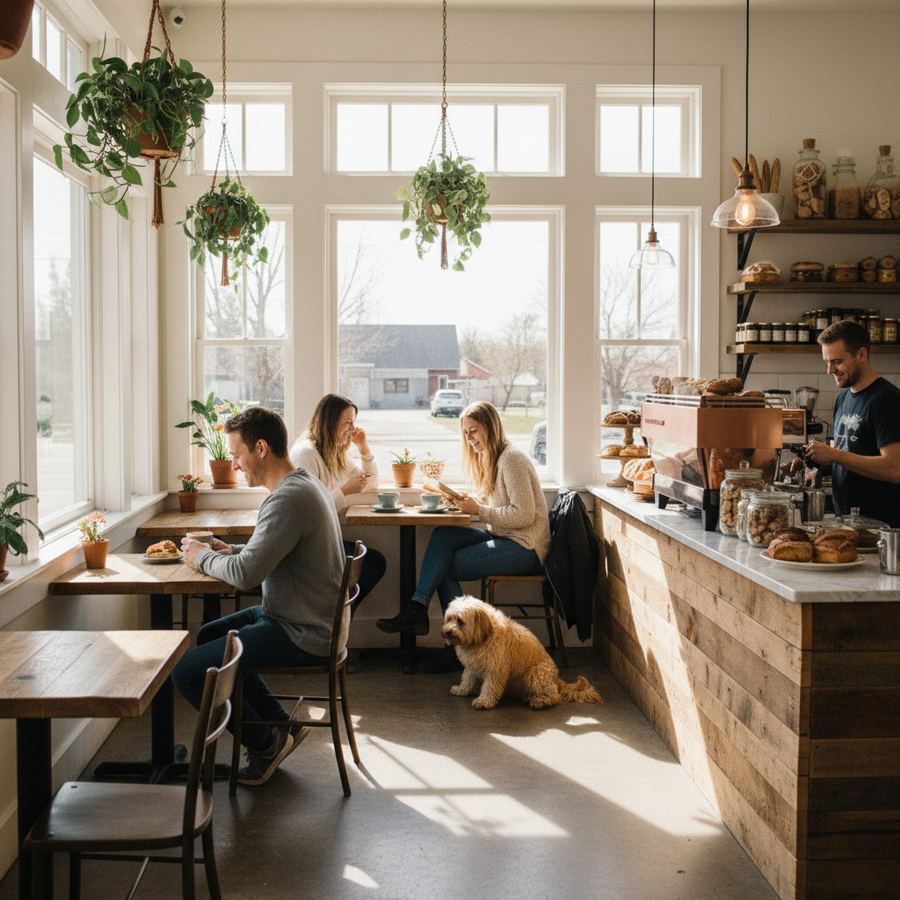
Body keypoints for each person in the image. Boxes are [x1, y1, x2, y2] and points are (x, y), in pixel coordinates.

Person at [173, 407, 346, 786]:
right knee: (207, 638)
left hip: (302, 632)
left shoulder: (288, 498)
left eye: (237, 454)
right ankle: (279, 727)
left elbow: (245, 576)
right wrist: (228, 550)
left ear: (262, 448)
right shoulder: (303, 485)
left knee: (187, 672)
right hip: (302, 619)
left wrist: (201, 557)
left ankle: (266, 742)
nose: (233, 464)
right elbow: (263, 555)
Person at [376, 400, 551, 671]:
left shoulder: (511, 459)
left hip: (525, 547)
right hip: (505, 537)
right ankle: (418, 608)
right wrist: (467, 502)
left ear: (490, 428)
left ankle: (453, 649)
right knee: (443, 536)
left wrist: (480, 510)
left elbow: (523, 516)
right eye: (465, 433)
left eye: (474, 431)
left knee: (443, 567)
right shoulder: (492, 459)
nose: (469, 439)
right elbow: (501, 505)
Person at [289, 393, 387, 611]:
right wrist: (344, 491)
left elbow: (372, 482)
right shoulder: (306, 453)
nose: (352, 430)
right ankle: (337, 620)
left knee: (375, 563)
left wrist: (364, 449)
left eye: (354, 423)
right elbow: (310, 513)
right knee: (372, 564)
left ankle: (338, 619)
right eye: (348, 423)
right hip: (306, 547)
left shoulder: (335, 452)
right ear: (330, 421)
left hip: (322, 541)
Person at [804, 319, 900, 526]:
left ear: (862, 355)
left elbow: (894, 469)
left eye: (837, 361)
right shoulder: (843, 399)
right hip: (849, 523)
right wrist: (816, 462)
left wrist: (834, 455)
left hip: (882, 528)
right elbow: (850, 457)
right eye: (826, 362)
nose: (830, 370)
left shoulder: (886, 400)